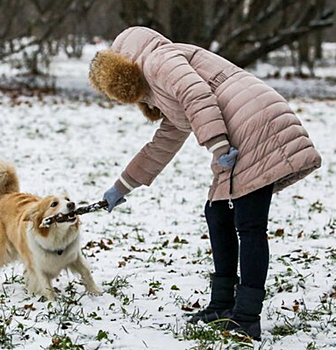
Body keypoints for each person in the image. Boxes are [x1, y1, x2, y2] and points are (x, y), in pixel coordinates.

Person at [88, 27, 322, 340]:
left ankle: (247, 317)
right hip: (239, 123)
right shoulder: (159, 84)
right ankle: (223, 303)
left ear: (123, 69)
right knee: (218, 212)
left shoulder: (158, 61)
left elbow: (196, 94)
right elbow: (161, 145)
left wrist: (217, 145)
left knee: (249, 222)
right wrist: (121, 187)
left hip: (253, 122)